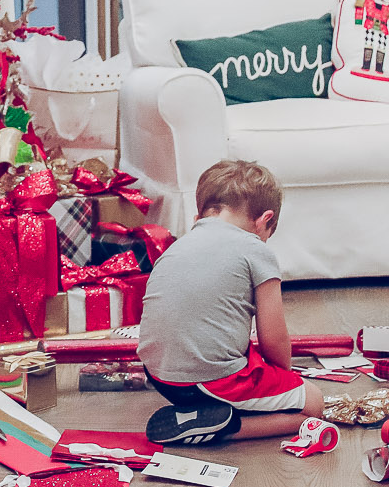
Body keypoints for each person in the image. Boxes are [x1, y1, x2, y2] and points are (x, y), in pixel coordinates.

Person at [137, 158, 324, 446]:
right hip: (210, 381)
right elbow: (273, 338)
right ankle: (224, 427)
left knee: (239, 353)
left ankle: (204, 412)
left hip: (160, 375)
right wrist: (283, 379)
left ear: (199, 216)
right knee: (314, 406)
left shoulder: (177, 247)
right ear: (266, 221)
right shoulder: (254, 250)